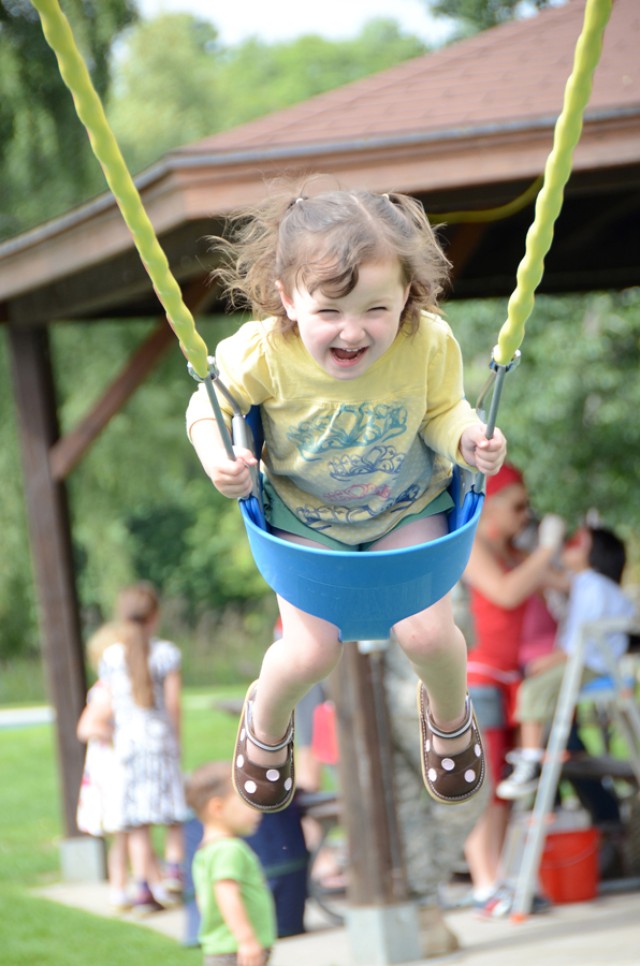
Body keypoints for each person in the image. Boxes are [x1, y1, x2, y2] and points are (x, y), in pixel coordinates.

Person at [186, 181, 507, 814]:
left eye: (376, 310)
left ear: (407, 295)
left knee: (428, 636)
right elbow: (208, 405)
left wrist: (469, 438)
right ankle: (267, 719)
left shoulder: (428, 341)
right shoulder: (264, 351)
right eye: (330, 311)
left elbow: (443, 410)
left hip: (407, 507)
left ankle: (447, 716)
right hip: (308, 523)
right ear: (288, 298)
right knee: (309, 651)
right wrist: (218, 458)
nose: (352, 331)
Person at [461, 464, 567, 909]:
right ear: (491, 504)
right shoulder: (471, 547)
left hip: (509, 678)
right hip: (477, 673)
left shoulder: (512, 552)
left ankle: (499, 877)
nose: (526, 516)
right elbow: (505, 593)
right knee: (481, 786)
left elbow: (559, 583)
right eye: (518, 506)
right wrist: (547, 553)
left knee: (503, 786)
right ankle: (484, 883)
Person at [497, 524, 636, 800]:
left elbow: (577, 645)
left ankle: (531, 761)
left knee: (533, 688)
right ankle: (532, 757)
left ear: (594, 554)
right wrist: (521, 551)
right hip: (589, 661)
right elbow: (550, 577)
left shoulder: (594, 587)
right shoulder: (587, 582)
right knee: (536, 685)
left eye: (576, 543)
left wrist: (546, 662)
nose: (567, 547)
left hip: (590, 664)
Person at [91, 582, 188, 914]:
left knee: (137, 821)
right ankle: (174, 869)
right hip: (159, 738)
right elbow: (173, 704)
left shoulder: (110, 657)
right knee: (173, 812)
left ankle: (143, 887)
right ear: (155, 616)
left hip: (127, 744)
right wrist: (177, 741)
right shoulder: (166, 653)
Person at [185, 760, 276, 966]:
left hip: (223, 947)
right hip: (237, 951)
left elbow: (204, 900)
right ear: (218, 807)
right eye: (247, 802)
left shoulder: (206, 851)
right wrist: (247, 940)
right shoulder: (229, 849)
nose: (257, 809)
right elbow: (227, 895)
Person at [76, 621, 134, 912]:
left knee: (125, 833)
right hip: (112, 767)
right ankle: (120, 887)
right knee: (122, 831)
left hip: (113, 765)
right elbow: (87, 726)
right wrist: (117, 734)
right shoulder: (108, 690)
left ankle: (128, 884)